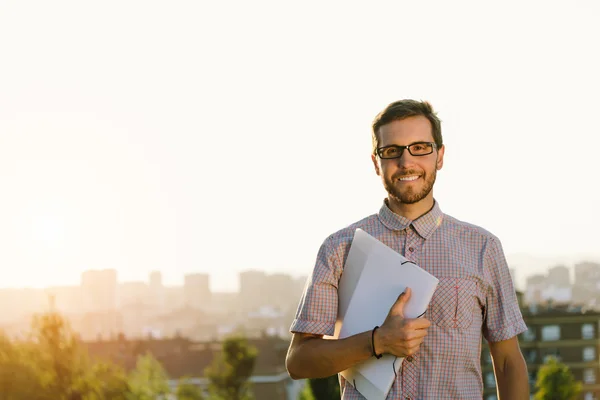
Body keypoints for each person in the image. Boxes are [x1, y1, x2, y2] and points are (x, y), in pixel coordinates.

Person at [285, 99, 529, 399]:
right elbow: (298, 362)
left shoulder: (483, 248)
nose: (406, 161)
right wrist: (377, 342)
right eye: (392, 151)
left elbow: (507, 362)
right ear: (377, 162)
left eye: (420, 147)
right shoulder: (339, 248)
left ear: (439, 156)